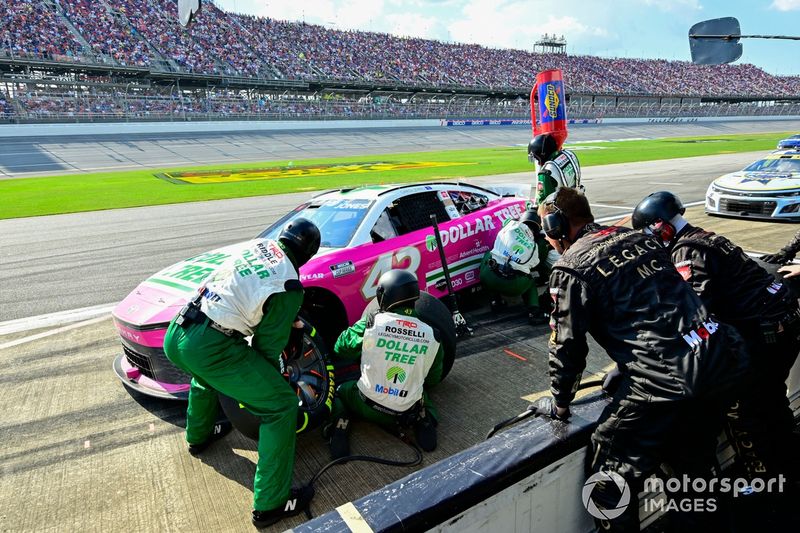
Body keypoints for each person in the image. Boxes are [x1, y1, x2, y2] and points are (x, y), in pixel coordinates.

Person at [538, 187, 750, 532]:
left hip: (671, 381)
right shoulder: (641, 239)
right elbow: (658, 309)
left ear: (557, 227)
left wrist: (560, 404)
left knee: (608, 484)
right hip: (722, 357)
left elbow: (567, 348)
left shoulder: (570, 268)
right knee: (693, 469)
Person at [162, 218, 321, 529]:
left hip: (179, 332)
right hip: (210, 345)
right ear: (308, 255)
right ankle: (271, 505)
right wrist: (271, 381)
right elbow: (266, 347)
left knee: (206, 377)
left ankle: (198, 437)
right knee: (281, 407)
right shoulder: (290, 286)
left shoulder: (257, 246)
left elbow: (246, 292)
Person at [632, 191, 800, 483]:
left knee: (741, 411)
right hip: (786, 323)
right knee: (772, 400)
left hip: (766, 333)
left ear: (662, 228)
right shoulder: (708, 237)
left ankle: (763, 482)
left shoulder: (685, 253)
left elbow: (695, 308)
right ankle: (789, 465)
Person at [327, 269, 444, 459]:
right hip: (407, 409)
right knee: (421, 390)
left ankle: (339, 426)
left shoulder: (372, 323)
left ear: (384, 296)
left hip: (367, 405)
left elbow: (340, 348)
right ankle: (425, 418)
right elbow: (434, 378)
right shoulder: (433, 334)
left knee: (339, 391)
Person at [479, 209, 551, 325]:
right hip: (514, 286)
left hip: (488, 277)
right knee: (530, 278)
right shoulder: (538, 244)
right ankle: (534, 312)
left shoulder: (511, 224)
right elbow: (537, 264)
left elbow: (506, 222)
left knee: (489, 254)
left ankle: (495, 300)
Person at [528, 132, 581, 207]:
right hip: (579, 201)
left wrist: (530, 206)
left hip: (562, 211)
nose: (536, 160)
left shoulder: (546, 173)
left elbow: (544, 205)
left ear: (542, 154)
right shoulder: (570, 154)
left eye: (536, 157)